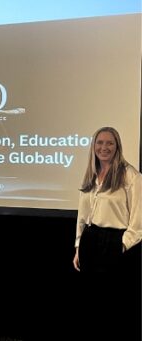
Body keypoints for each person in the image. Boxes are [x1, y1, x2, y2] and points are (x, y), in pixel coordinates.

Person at [72, 126, 141, 339]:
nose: (104, 147)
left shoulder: (131, 176)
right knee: (91, 304)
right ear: (93, 146)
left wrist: (122, 245)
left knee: (113, 305)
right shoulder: (91, 174)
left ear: (117, 146)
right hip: (90, 241)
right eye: (100, 142)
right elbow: (83, 215)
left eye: (110, 143)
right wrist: (78, 246)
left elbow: (138, 219)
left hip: (114, 241)